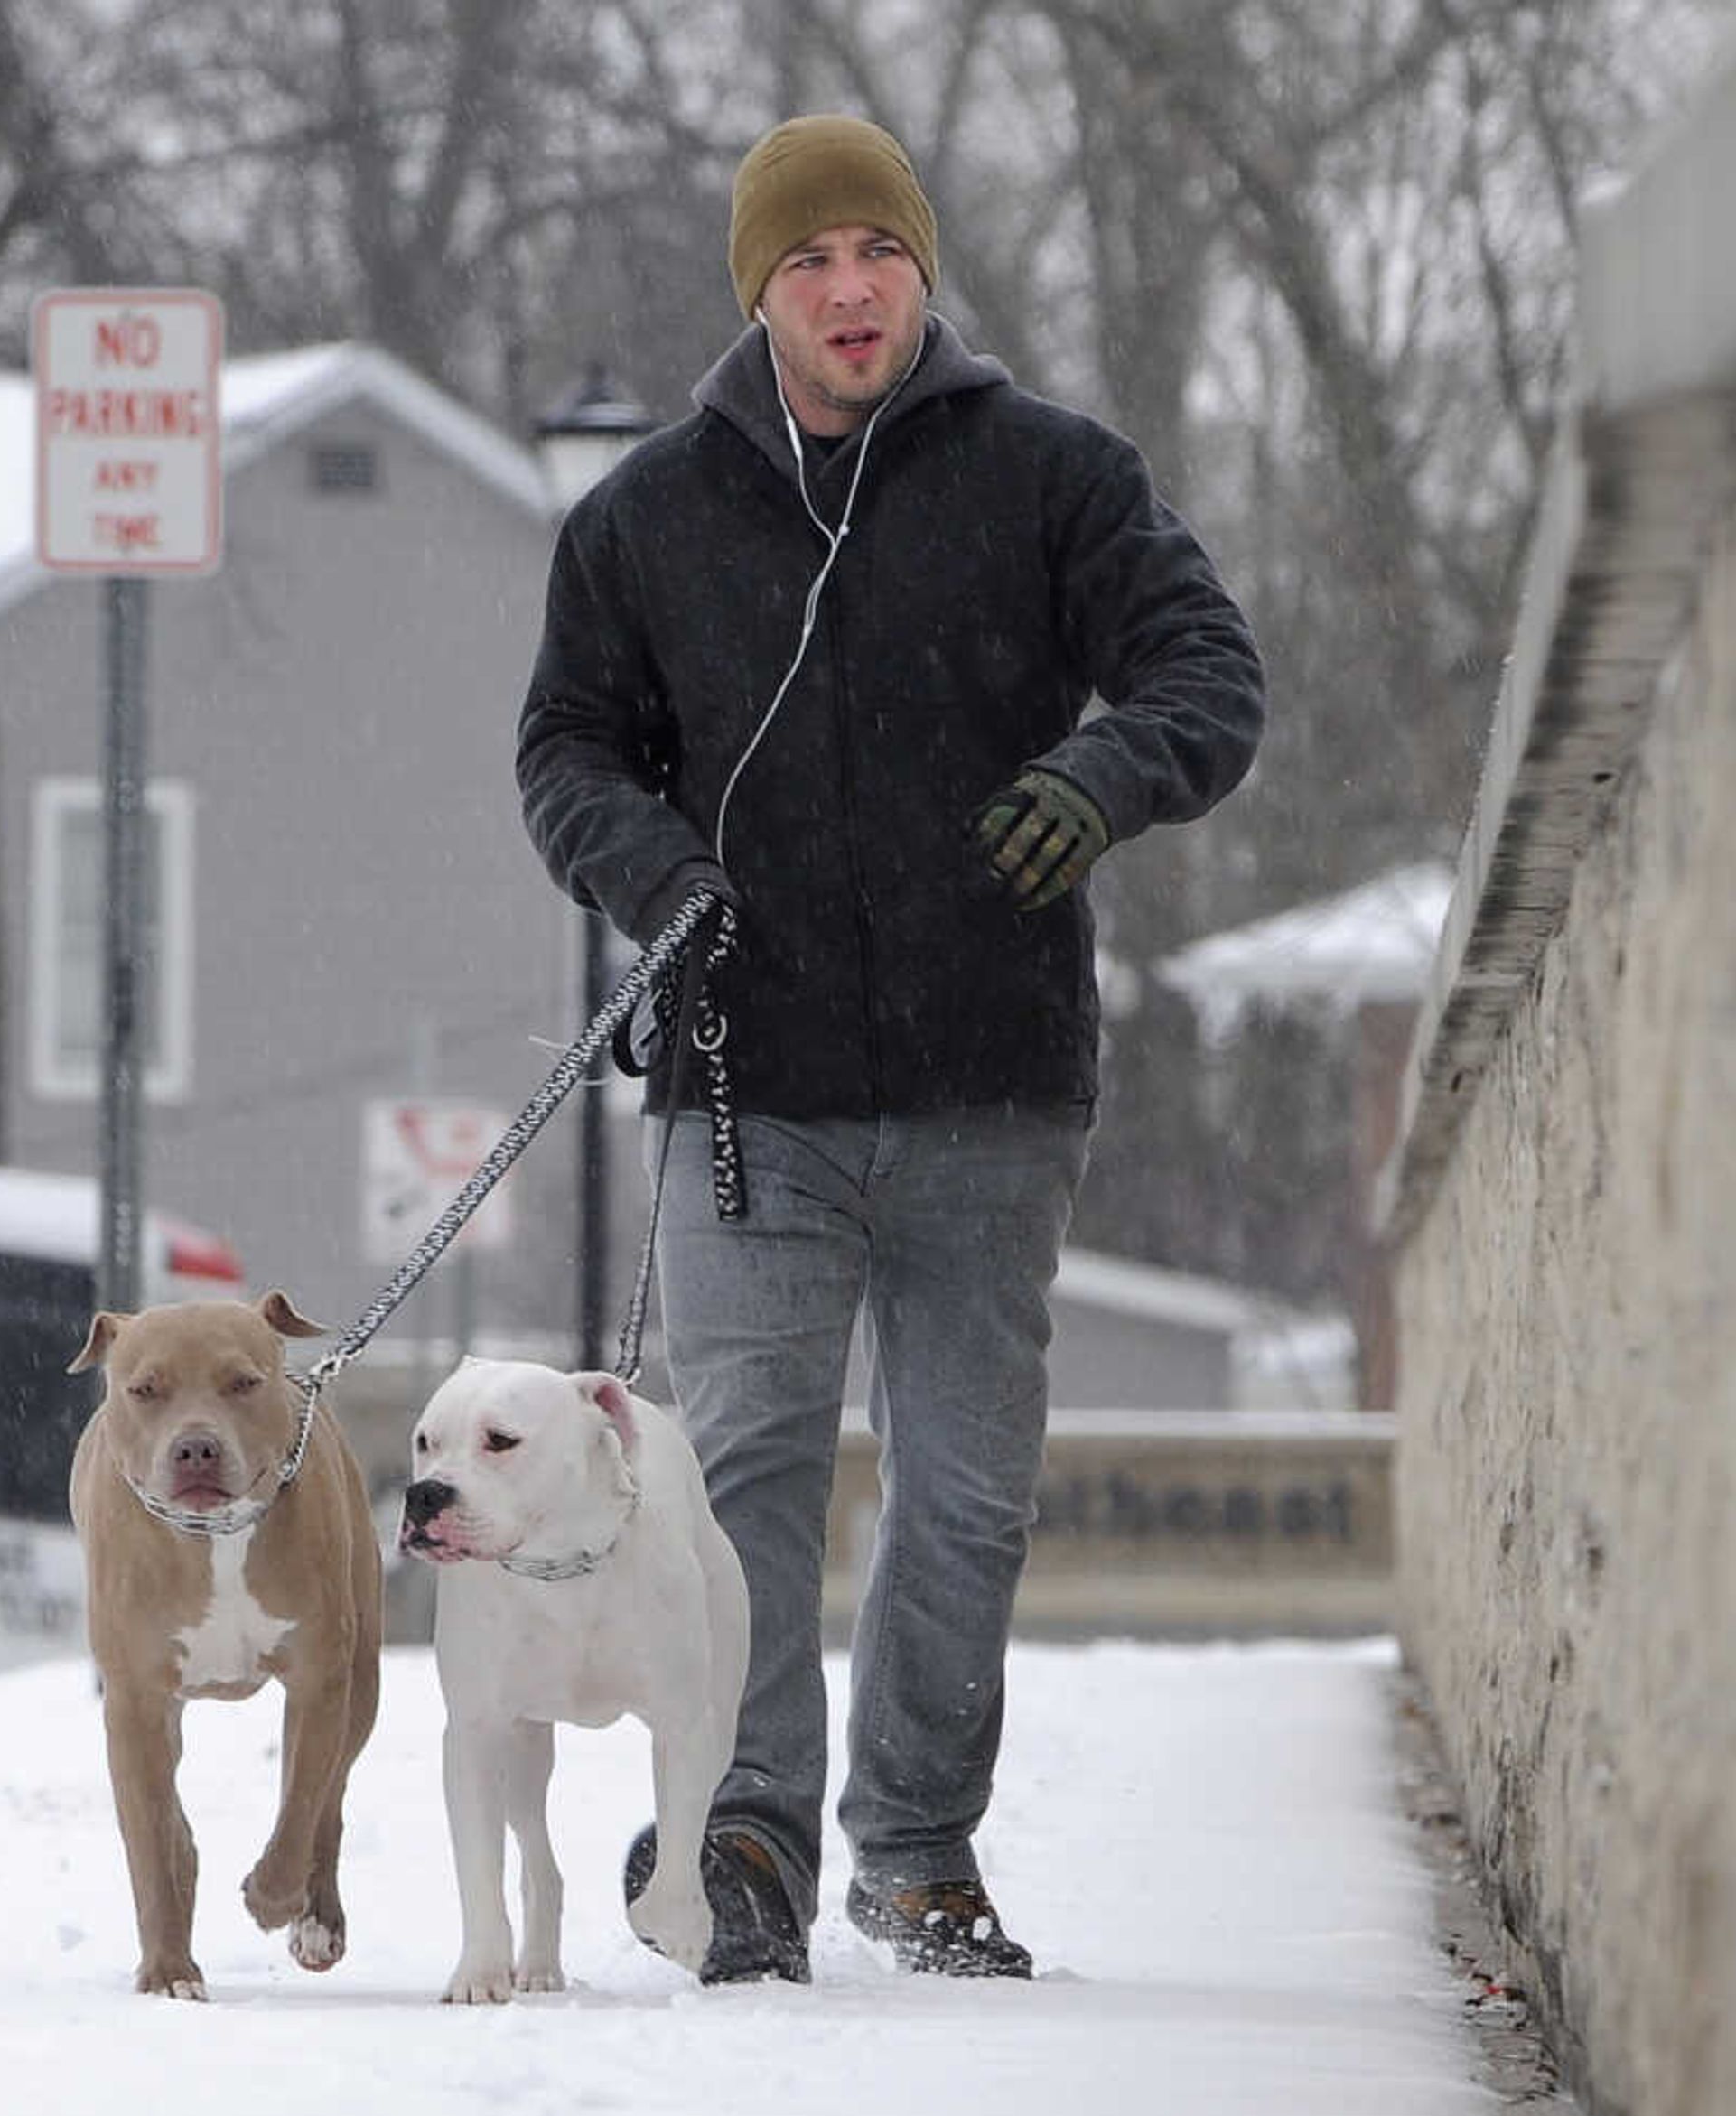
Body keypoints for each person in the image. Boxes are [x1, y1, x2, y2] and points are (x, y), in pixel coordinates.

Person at [516, 115, 1264, 1981]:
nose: (849, 290)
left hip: (990, 1083)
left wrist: (1100, 777)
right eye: (807, 261)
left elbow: (1207, 675)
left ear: (923, 272)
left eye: (879, 252)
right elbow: (568, 756)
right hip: (744, 1088)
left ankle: (917, 1848)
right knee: (748, 1471)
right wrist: (656, 872)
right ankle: (748, 1835)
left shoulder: (1051, 481)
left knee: (964, 1485)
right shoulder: (645, 520)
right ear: (759, 292)